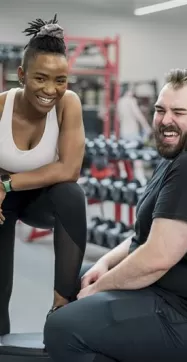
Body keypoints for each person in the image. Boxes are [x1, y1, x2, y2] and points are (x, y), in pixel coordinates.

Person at [43, 68, 187, 362]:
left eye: (179, 112)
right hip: (170, 295)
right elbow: (142, 236)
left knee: (62, 328)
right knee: (76, 280)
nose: (166, 120)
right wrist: (104, 263)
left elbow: (155, 259)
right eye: (160, 110)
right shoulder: (176, 157)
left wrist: (100, 288)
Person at [0, 15, 87, 336]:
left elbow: (69, 169)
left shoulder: (69, 104)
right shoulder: (1, 107)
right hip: (1, 204)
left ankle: (61, 309)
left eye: (60, 80)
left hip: (39, 199)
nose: (50, 90)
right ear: (21, 75)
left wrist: (7, 183)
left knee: (71, 195)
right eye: (40, 78)